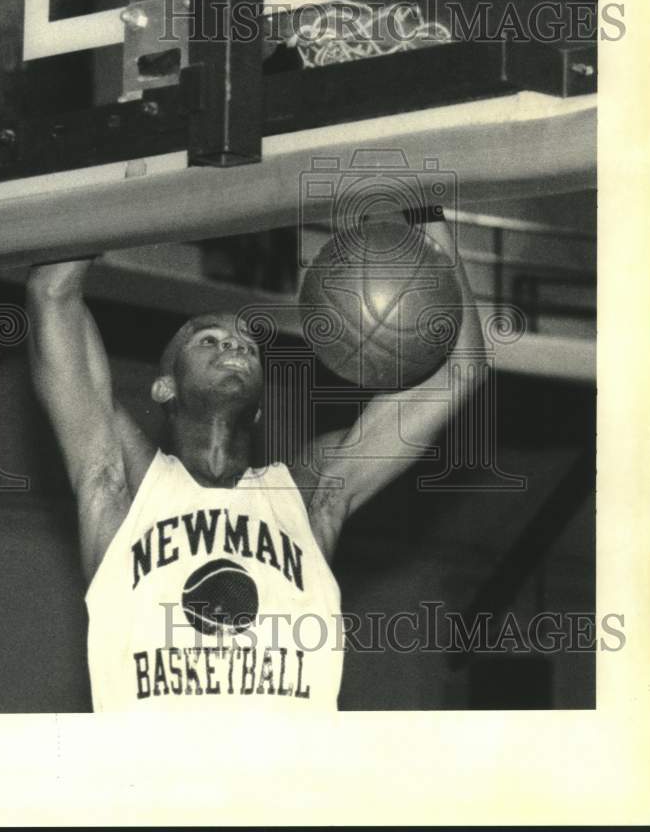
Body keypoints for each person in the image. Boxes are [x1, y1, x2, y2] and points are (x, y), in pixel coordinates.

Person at [27, 220, 483, 711]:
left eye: (246, 345)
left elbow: (459, 372)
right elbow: (51, 295)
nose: (234, 345)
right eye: (208, 339)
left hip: (281, 782)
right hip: (159, 779)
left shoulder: (307, 495)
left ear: (261, 406)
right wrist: (124, 182)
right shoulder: (124, 485)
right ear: (165, 387)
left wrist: (425, 217)